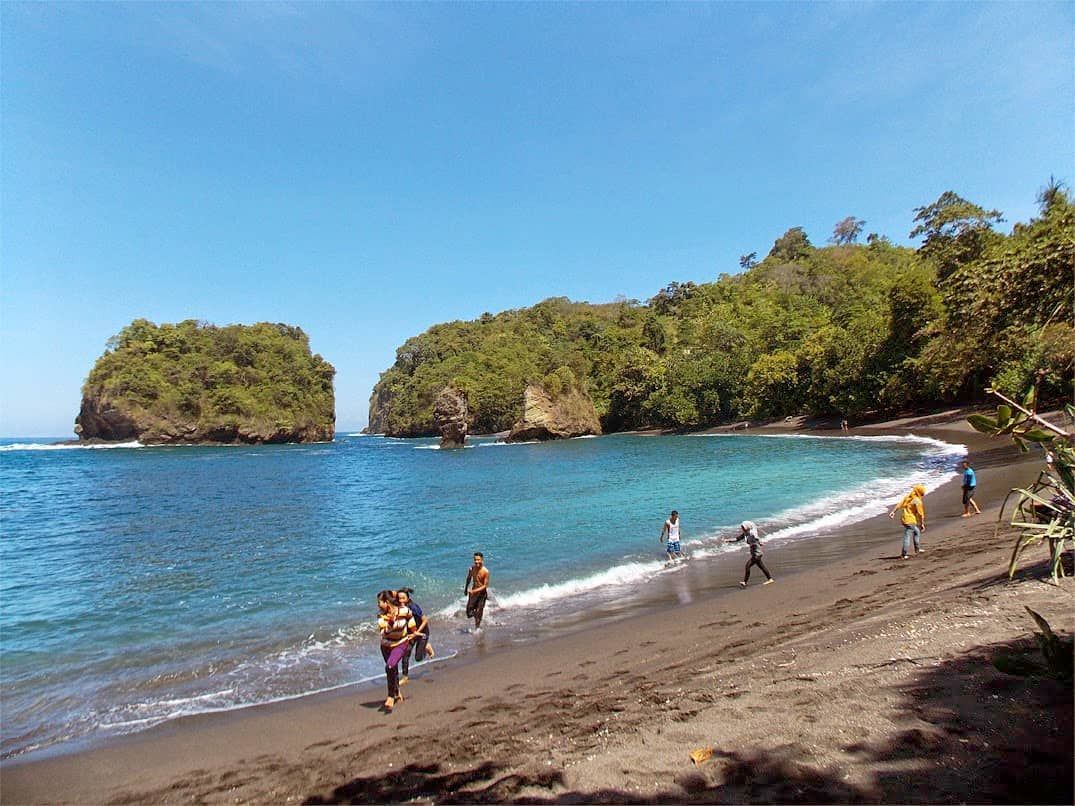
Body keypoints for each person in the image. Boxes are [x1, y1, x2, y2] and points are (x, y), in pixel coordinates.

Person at [377, 590, 418, 711]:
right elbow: (384, 632)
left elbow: (410, 618)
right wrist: (390, 623)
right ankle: (397, 692)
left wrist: (414, 631)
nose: (378, 605)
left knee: (389, 666)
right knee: (392, 669)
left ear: (387, 602)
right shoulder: (381, 616)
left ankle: (390, 696)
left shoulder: (404, 610)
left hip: (400, 643)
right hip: (386, 645)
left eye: (379, 602)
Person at [397, 587, 434, 684]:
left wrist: (416, 632)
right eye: (399, 598)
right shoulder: (399, 608)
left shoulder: (413, 607)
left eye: (403, 598)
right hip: (410, 634)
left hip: (422, 632)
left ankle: (427, 646)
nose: (401, 601)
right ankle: (405, 677)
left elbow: (425, 620)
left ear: (408, 599)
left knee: (418, 658)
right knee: (405, 654)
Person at [728, 520, 774, 586]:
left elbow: (756, 538)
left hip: (757, 554)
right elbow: (737, 539)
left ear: (747, 527)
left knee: (747, 566)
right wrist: (728, 540)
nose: (742, 528)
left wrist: (760, 542)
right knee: (762, 567)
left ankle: (745, 582)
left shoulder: (752, 533)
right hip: (755, 554)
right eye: (742, 527)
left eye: (743, 527)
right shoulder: (745, 534)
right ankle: (770, 579)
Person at [889, 484, 927, 559]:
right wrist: (922, 524)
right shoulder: (917, 501)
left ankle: (917, 549)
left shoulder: (909, 497)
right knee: (907, 536)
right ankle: (904, 554)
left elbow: (900, 504)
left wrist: (893, 511)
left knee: (916, 532)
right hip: (910, 520)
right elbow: (920, 514)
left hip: (904, 519)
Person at [464, 552, 490, 631]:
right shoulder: (472, 569)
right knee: (469, 613)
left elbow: (485, 585)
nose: (476, 561)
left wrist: (474, 591)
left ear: (482, 560)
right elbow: (468, 578)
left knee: (479, 611)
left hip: (482, 594)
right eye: (475, 560)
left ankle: (477, 629)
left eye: (478, 560)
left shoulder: (485, 571)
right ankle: (478, 616)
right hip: (473, 593)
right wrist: (465, 589)